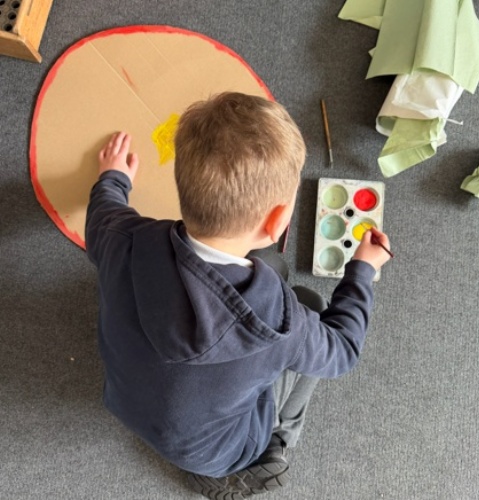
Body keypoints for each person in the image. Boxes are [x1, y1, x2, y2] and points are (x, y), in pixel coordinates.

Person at [85, 92, 392, 499]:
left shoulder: (121, 234)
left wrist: (113, 178)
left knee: (272, 268)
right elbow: (343, 350)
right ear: (278, 222)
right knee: (313, 304)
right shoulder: (280, 323)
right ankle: (273, 446)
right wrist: (362, 271)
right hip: (221, 450)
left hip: (125, 401)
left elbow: (102, 211)